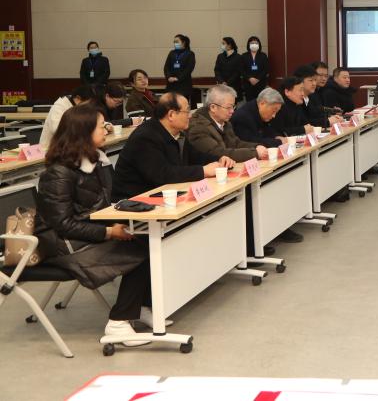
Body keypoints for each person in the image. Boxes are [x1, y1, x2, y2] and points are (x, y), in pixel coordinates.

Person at [35, 104, 157, 347]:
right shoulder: (58, 173)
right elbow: (63, 225)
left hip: (87, 235)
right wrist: (109, 231)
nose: (107, 130)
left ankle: (138, 308)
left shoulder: (95, 162)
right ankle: (118, 323)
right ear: (83, 132)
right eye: (101, 126)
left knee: (149, 241)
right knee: (141, 252)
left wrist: (118, 222)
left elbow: (100, 207)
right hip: (62, 246)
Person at [112, 93, 232, 200]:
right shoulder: (145, 137)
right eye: (186, 111)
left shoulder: (178, 133)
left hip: (163, 194)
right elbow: (162, 174)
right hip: (133, 201)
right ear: (171, 115)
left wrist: (219, 160)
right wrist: (203, 171)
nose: (190, 116)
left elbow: (195, 156)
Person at [187, 84, 268, 162]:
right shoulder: (198, 127)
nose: (232, 111)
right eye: (228, 107)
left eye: (233, 107)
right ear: (213, 107)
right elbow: (218, 154)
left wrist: (256, 146)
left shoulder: (225, 122)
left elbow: (236, 143)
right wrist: (254, 153)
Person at [163, 33, 196, 106]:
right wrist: (169, 77)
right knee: (171, 106)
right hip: (171, 85)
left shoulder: (190, 54)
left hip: (183, 86)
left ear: (183, 42)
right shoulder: (171, 53)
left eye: (177, 42)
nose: (175, 43)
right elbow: (166, 67)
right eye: (174, 42)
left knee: (182, 106)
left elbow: (189, 69)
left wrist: (178, 78)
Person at [241, 36, 270, 102]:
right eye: (252, 43)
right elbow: (242, 70)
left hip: (260, 83)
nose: (254, 45)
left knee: (260, 102)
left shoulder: (263, 55)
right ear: (248, 44)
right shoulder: (244, 56)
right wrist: (249, 78)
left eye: (256, 43)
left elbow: (266, 69)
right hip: (248, 83)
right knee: (249, 102)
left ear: (259, 44)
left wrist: (258, 79)